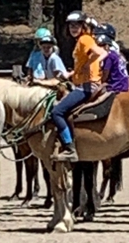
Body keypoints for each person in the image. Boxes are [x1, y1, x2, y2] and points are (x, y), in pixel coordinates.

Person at [49, 10, 109, 162]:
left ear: (83, 26)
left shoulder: (85, 40)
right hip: (82, 83)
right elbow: (84, 62)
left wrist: (88, 65)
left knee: (56, 112)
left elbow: (102, 53)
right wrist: (71, 74)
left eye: (76, 25)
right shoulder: (82, 41)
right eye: (71, 26)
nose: (73, 28)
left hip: (87, 86)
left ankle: (70, 148)